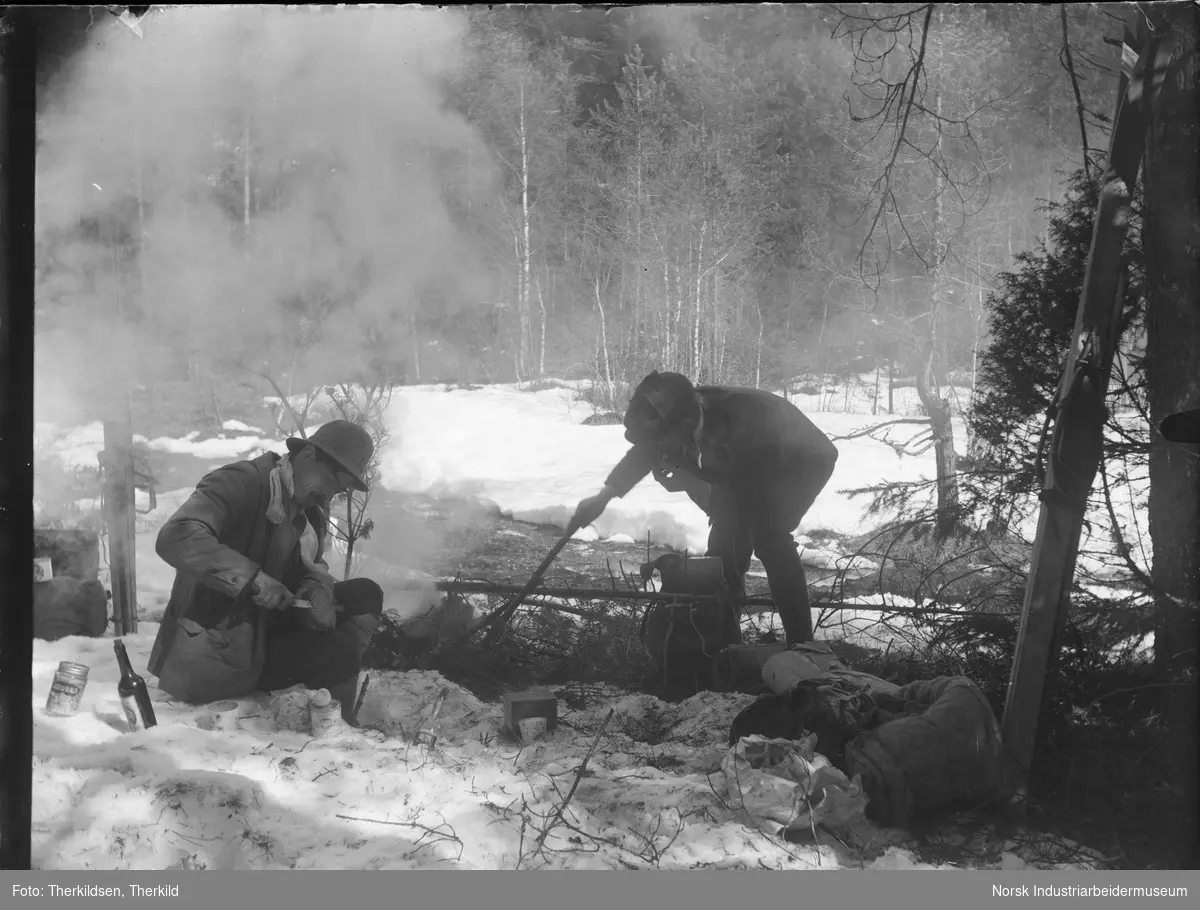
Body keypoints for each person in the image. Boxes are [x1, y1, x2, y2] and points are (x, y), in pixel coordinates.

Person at [572, 371, 838, 645]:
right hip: (743, 463)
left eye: (666, 441)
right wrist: (604, 497)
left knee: (769, 538)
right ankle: (723, 639)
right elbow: (646, 451)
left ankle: (802, 643)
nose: (662, 447)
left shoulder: (745, 426)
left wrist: (698, 485)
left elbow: (746, 492)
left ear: (686, 425)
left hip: (800, 461)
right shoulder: (675, 416)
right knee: (724, 548)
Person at [148, 419, 384, 722]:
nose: (328, 495)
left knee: (364, 594)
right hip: (218, 647)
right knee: (339, 651)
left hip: (266, 633)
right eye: (329, 481)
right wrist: (255, 580)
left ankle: (324, 700)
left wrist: (316, 592)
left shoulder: (310, 512)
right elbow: (177, 535)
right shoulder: (239, 482)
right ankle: (333, 728)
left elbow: (314, 566)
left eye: (338, 490)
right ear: (308, 455)